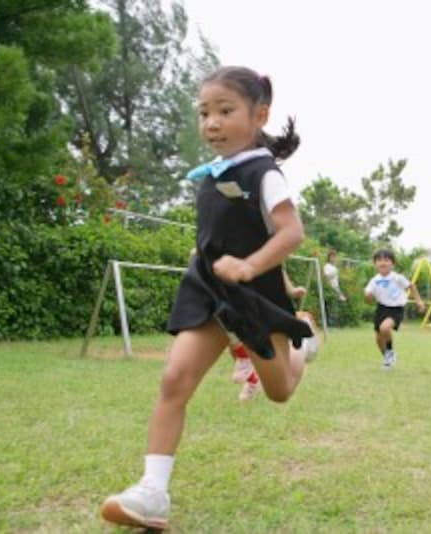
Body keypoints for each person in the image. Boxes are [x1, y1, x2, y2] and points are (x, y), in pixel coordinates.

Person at [100, 66, 319, 529]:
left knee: (279, 390)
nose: (211, 123)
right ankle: (153, 492)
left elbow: (292, 232)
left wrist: (250, 266)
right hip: (206, 285)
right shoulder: (212, 173)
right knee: (174, 378)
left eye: (224, 111)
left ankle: (304, 346)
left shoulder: (265, 172)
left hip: (253, 292)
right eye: (203, 113)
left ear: (259, 114)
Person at [231, 270, 316, 401]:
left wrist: (291, 290)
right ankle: (251, 377)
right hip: (232, 297)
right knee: (227, 329)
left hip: (263, 298)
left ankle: (302, 343)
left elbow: (276, 262)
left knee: (280, 392)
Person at [364, 248, 425, 369]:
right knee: (378, 339)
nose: (383, 263)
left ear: (392, 263)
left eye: (386, 260)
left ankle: (390, 351)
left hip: (396, 309)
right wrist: (368, 296)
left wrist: (419, 301)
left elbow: (411, 287)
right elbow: (368, 298)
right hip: (381, 308)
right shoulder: (374, 281)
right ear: (375, 263)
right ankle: (388, 359)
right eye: (379, 260)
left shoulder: (397, 277)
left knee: (385, 328)